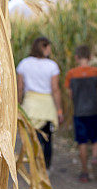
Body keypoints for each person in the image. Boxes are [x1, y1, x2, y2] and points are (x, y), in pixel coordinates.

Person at [16, 37, 63, 169]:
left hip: (30, 106)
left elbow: (20, 88)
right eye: (48, 47)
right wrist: (59, 110)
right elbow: (55, 89)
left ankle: (34, 167)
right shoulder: (52, 66)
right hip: (47, 106)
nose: (50, 50)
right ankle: (46, 168)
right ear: (43, 47)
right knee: (47, 139)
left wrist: (18, 106)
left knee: (32, 139)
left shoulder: (24, 64)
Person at [65, 45, 97, 182]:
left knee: (82, 141)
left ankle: (85, 172)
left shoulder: (71, 74)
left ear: (76, 57)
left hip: (79, 112)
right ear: (90, 57)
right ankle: (94, 158)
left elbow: (70, 95)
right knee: (95, 138)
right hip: (94, 111)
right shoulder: (96, 72)